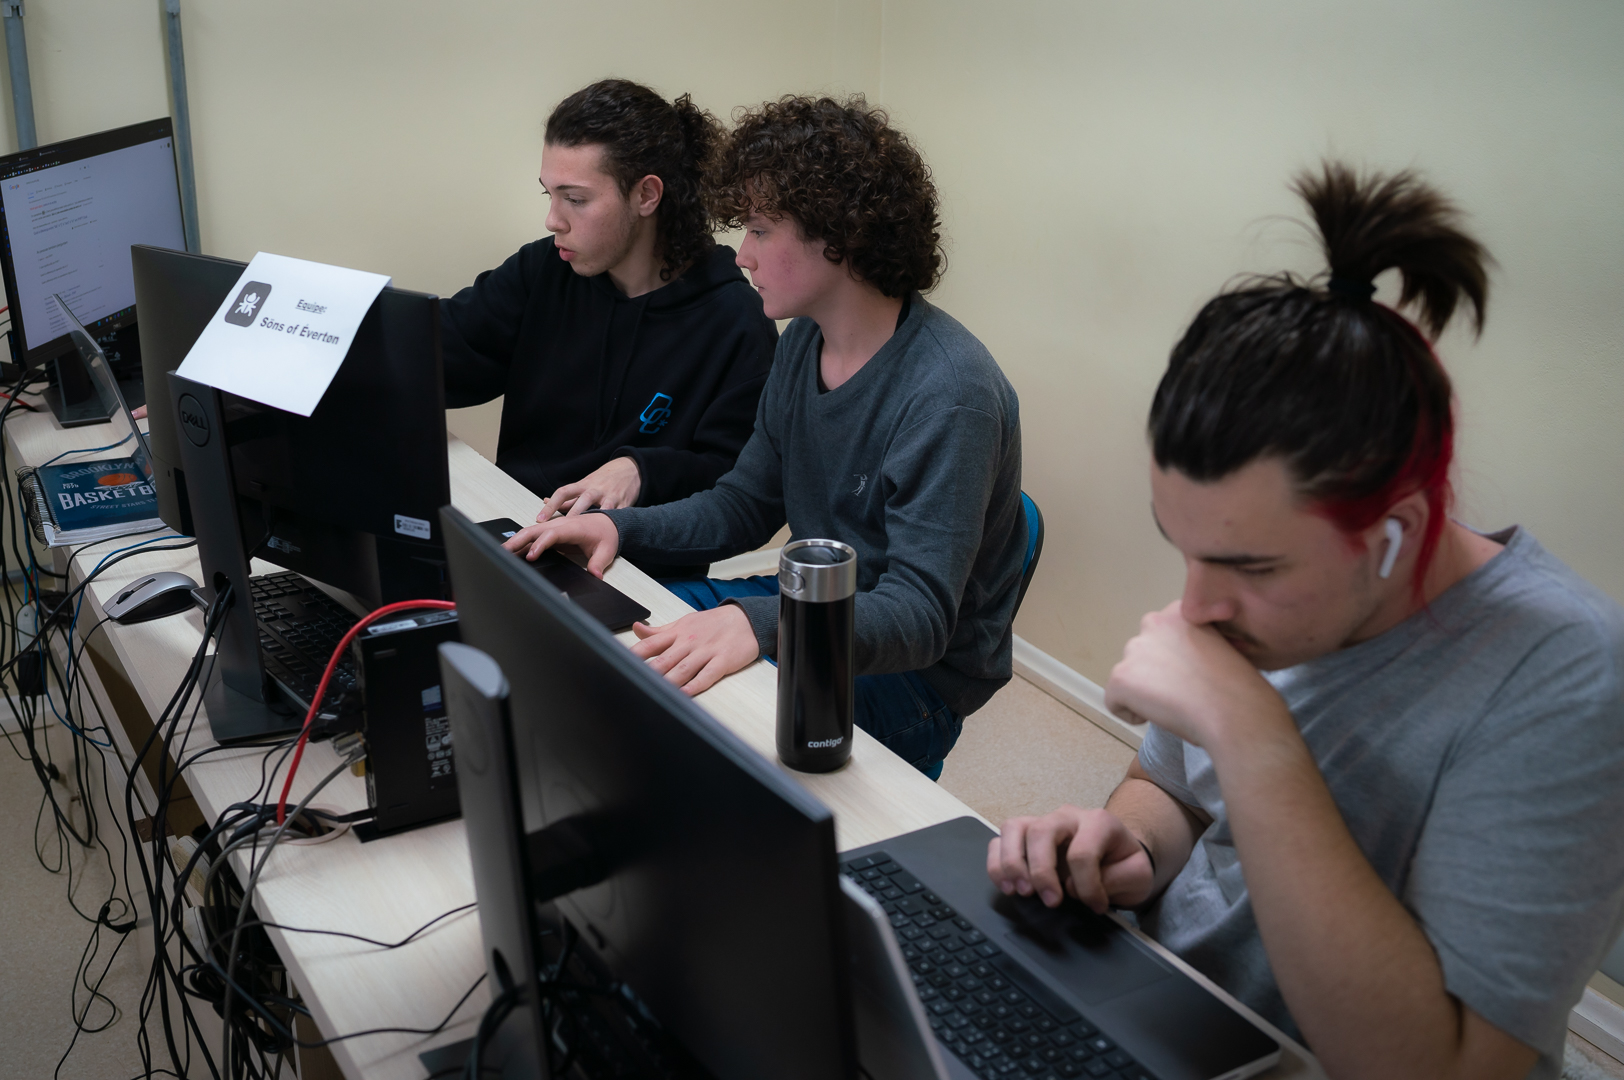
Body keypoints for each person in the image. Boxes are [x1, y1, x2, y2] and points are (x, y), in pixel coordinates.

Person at [988, 163, 1624, 1080]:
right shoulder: (1261, 585)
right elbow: (1169, 789)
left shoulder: (1564, 676)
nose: (1196, 606)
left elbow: (1450, 1069)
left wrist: (1252, 730)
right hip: (1165, 1011)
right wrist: (1129, 849)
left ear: (1395, 535)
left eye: (1249, 567)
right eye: (1185, 549)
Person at [505, 95, 1026, 780]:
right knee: (604, 642)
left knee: (691, 735)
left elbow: (920, 617)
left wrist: (757, 624)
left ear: (839, 235)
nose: (742, 254)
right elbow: (743, 504)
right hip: (810, 605)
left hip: (912, 677)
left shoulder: (950, 393)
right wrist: (617, 528)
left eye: (758, 230)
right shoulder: (804, 340)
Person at [441, 79, 778, 543]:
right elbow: (443, 351)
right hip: (516, 531)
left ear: (646, 195)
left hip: (634, 562)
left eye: (575, 199)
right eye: (549, 195)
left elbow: (739, 487)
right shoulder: (543, 270)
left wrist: (642, 469)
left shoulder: (733, 320)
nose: (553, 220)